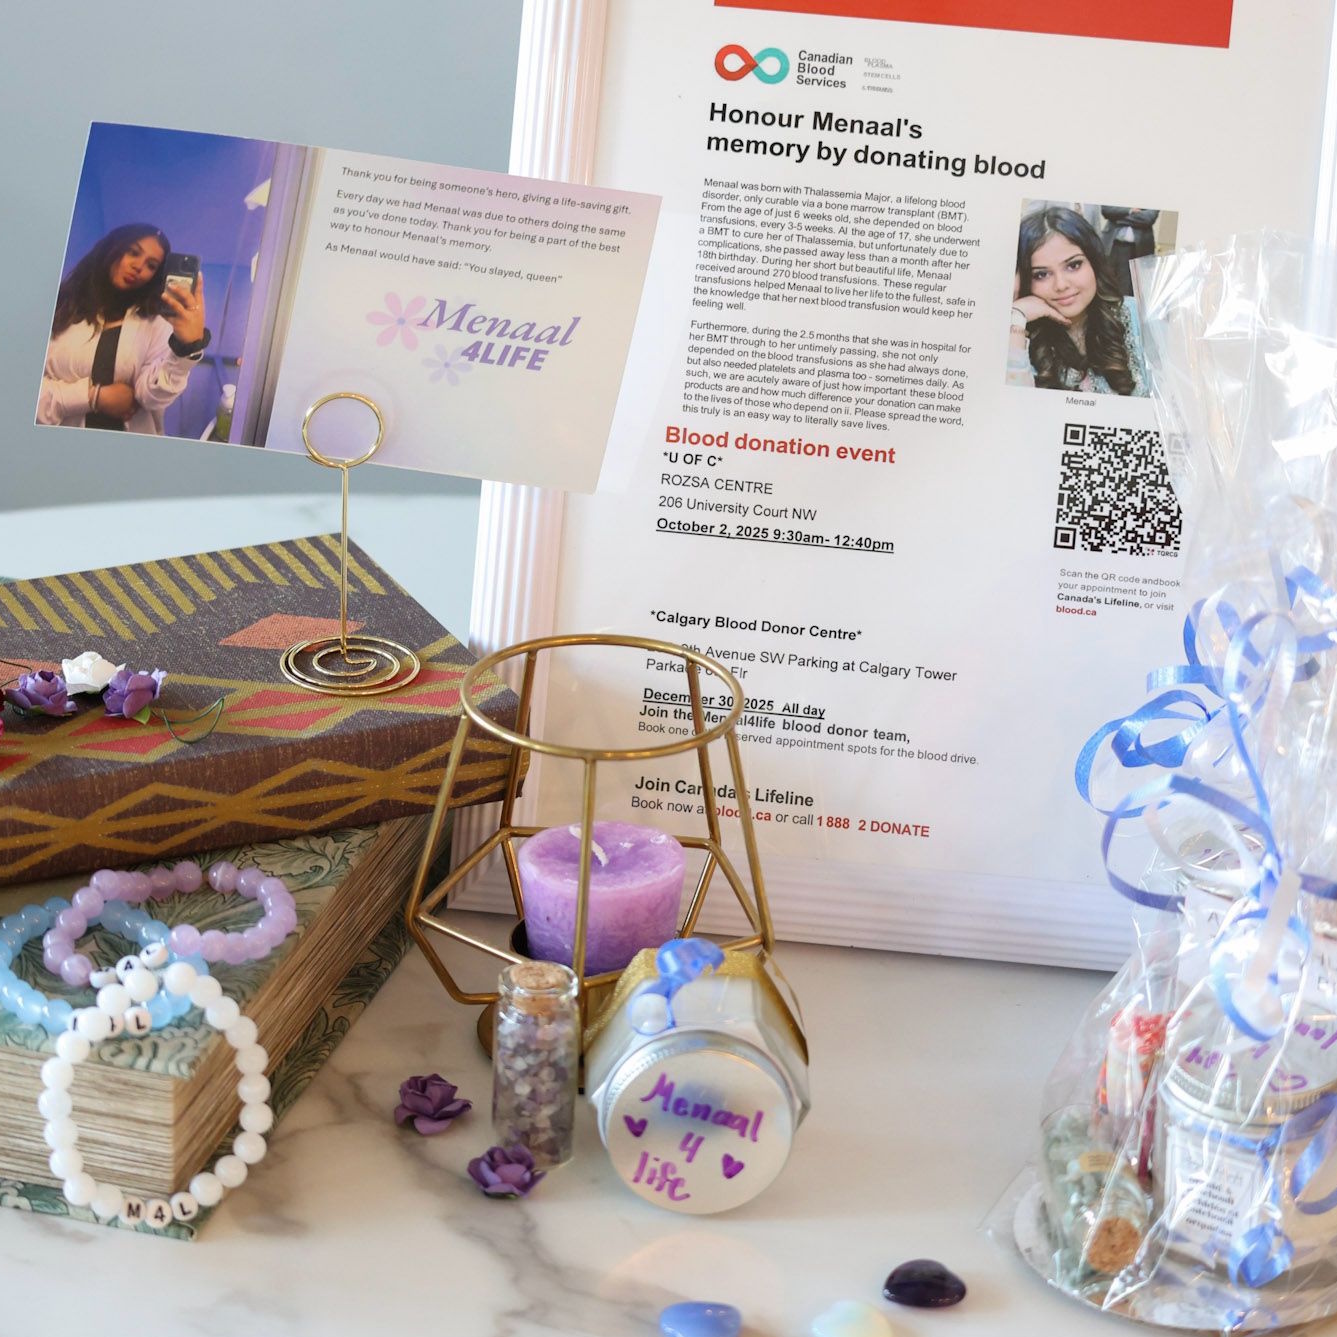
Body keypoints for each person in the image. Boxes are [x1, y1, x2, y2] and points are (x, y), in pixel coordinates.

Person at [38, 223, 209, 434]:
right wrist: (93, 397)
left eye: (151, 265)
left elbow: (152, 397)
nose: (139, 267)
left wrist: (184, 350)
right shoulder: (60, 308)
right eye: (134, 252)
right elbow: (24, 390)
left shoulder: (156, 322)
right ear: (111, 248)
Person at [1006, 206, 1147, 397]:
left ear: (1094, 263)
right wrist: (1016, 318)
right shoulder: (1018, 336)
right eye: (1041, 275)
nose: (1061, 285)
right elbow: (1014, 407)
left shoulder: (1136, 316)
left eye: (1073, 265)